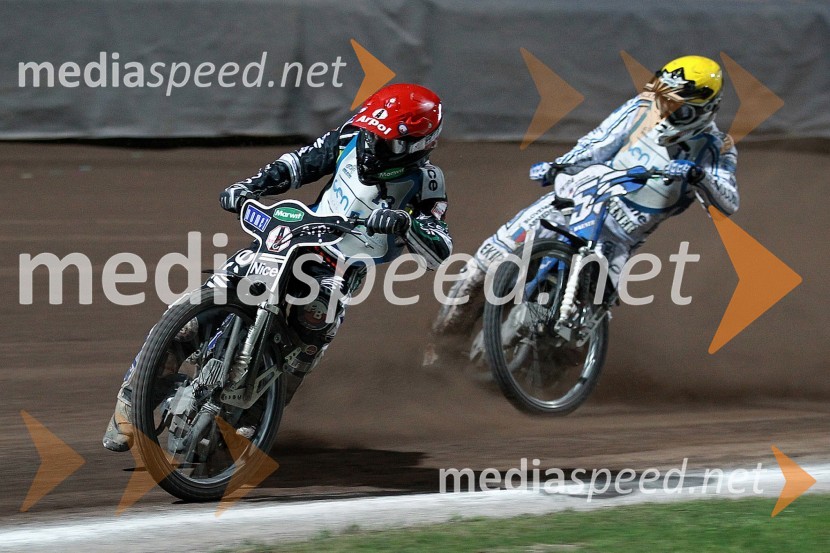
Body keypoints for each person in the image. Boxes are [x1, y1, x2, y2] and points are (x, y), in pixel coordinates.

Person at [104, 83, 452, 452]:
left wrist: (406, 223)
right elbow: (300, 163)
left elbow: (441, 246)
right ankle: (131, 400)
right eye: (372, 130)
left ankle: (253, 418)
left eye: (385, 139)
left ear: (417, 144)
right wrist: (251, 186)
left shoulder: (428, 182)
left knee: (316, 325)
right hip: (291, 237)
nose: (372, 143)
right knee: (197, 306)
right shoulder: (353, 136)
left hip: (340, 265)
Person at [428, 55, 738, 361]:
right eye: (663, 100)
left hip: (618, 239)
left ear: (706, 109)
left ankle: (550, 366)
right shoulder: (641, 109)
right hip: (580, 200)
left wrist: (701, 176)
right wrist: (558, 167)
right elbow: (596, 144)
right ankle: (440, 346)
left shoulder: (717, 147)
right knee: (486, 261)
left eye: (678, 108)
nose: (666, 112)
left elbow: (729, 201)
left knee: (583, 330)